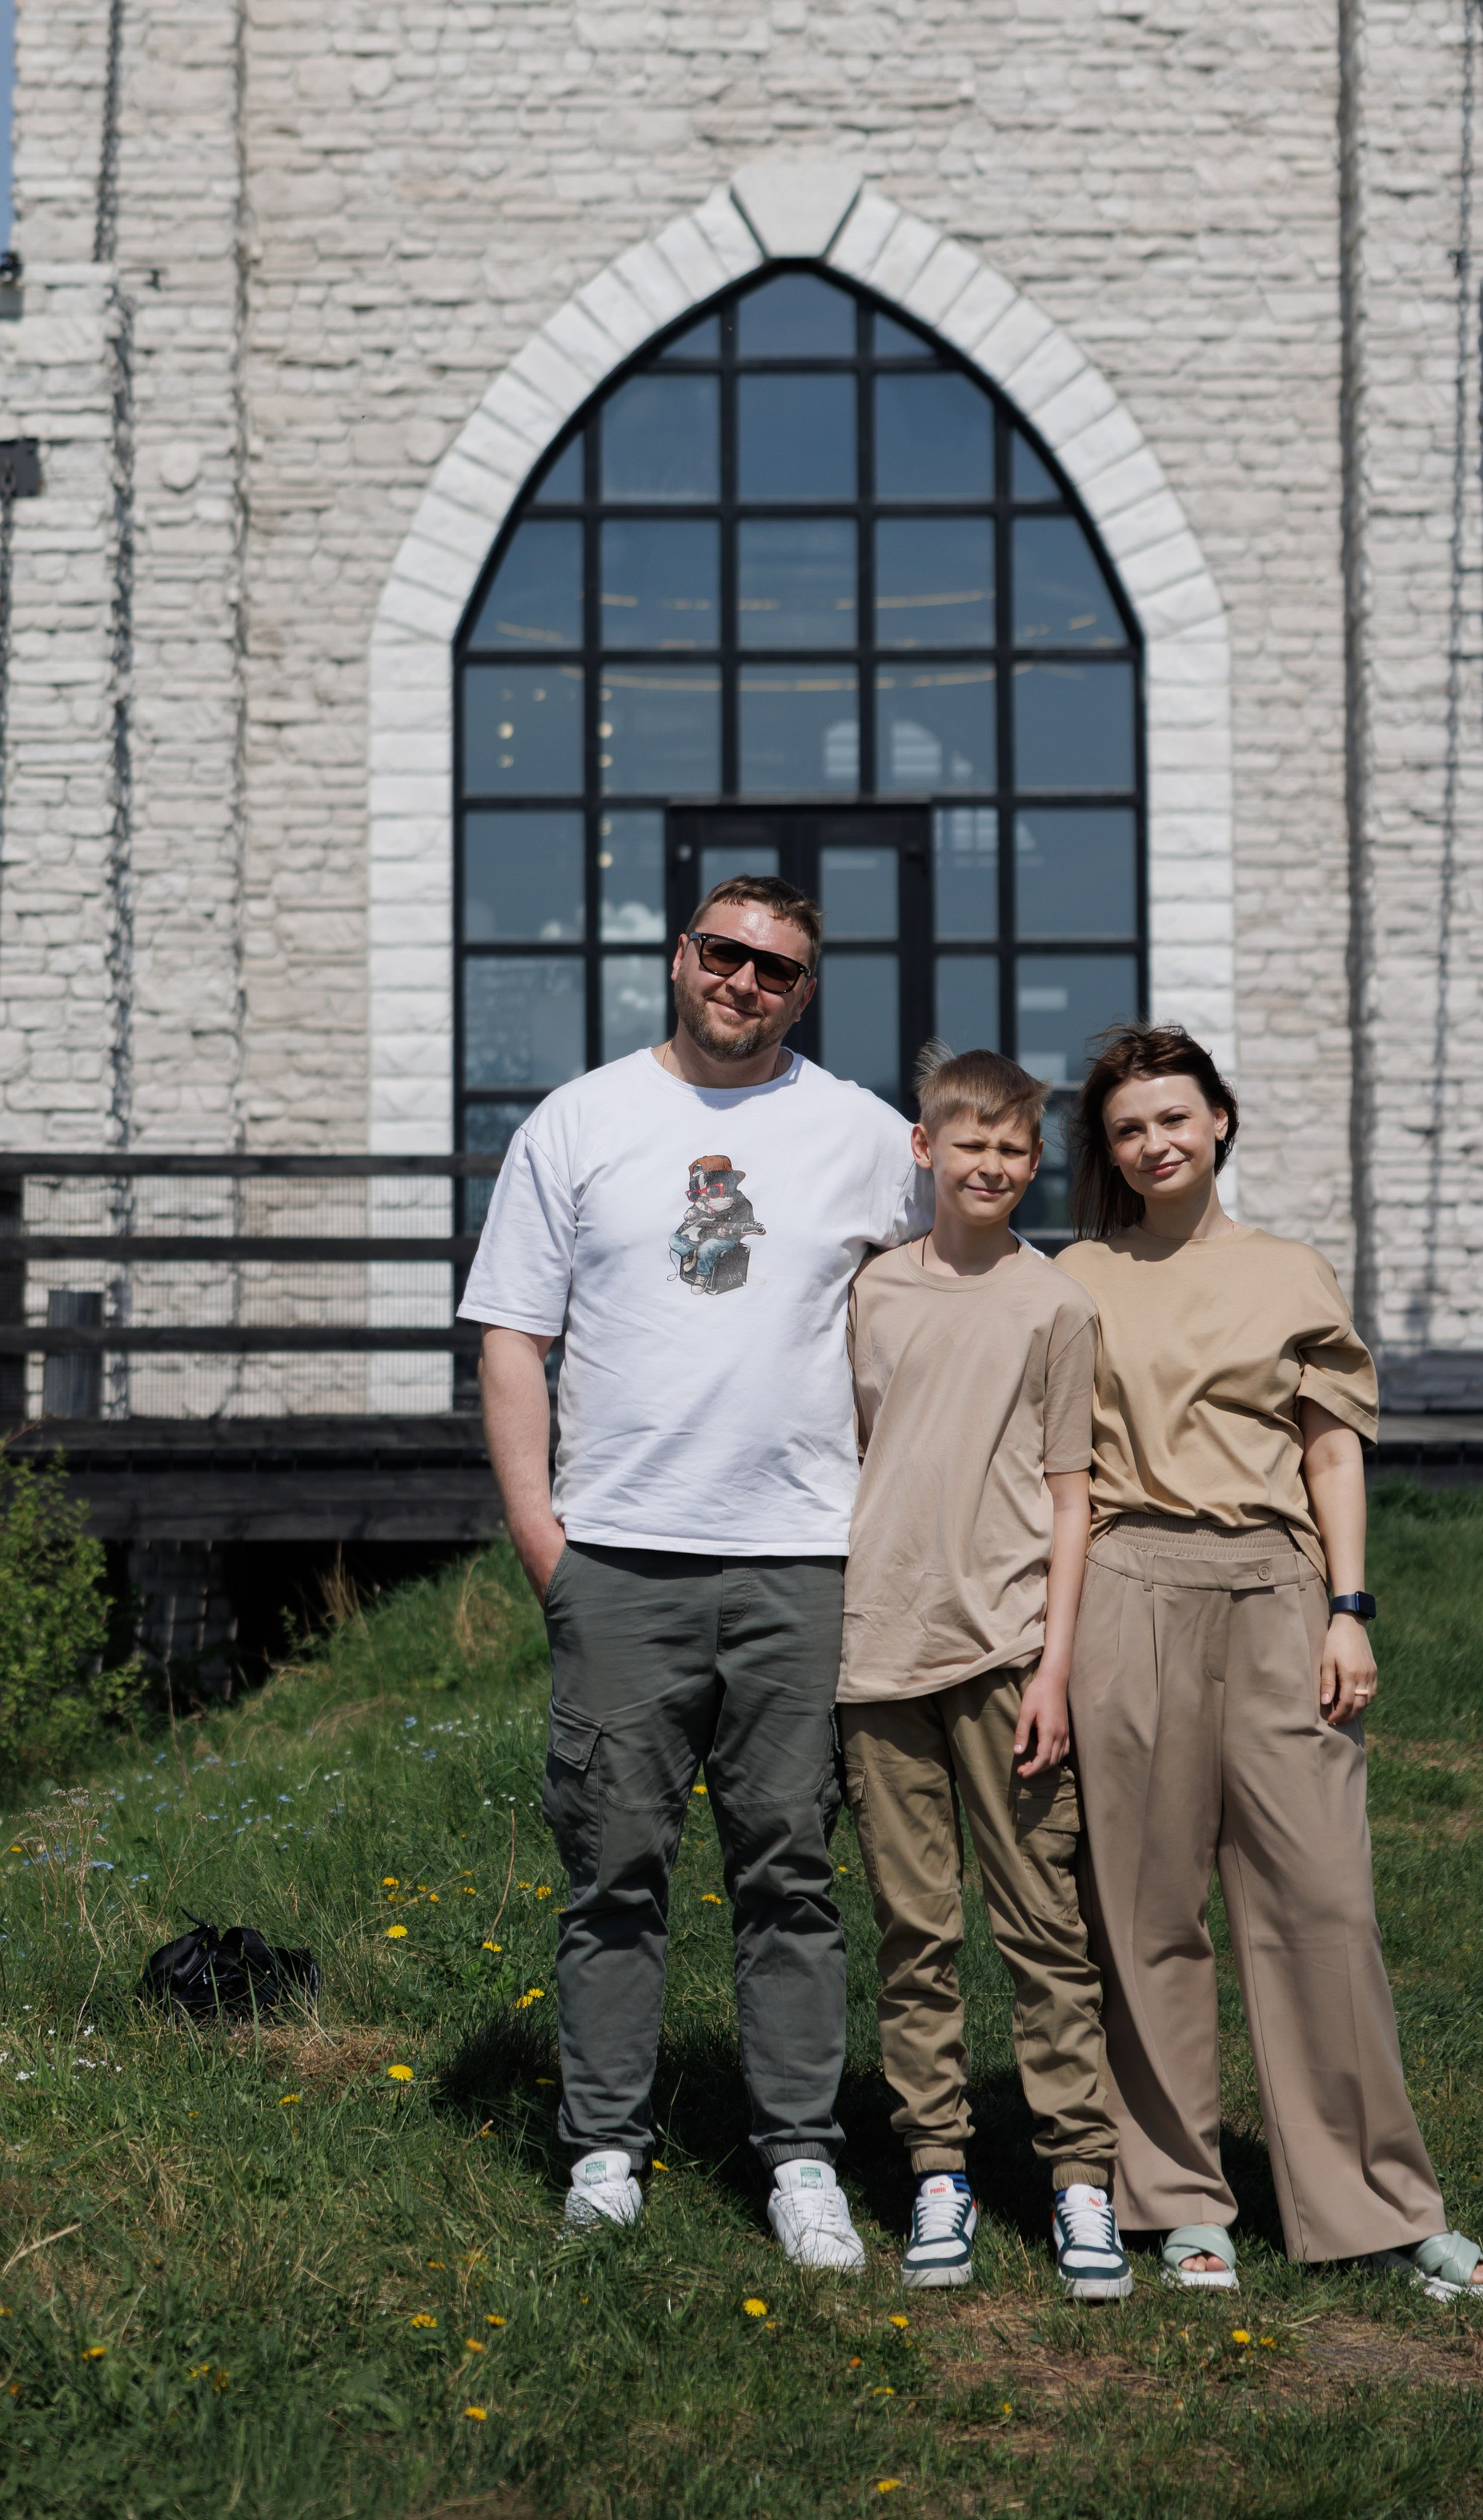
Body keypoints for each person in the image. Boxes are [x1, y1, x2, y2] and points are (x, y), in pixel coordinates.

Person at [461, 874, 928, 2265]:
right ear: (680, 958)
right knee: (614, 1869)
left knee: (792, 1872)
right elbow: (508, 1339)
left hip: (802, 1559)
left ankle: (800, 2158)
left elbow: (965, 1270)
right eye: (723, 953)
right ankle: (606, 2144)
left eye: (775, 969)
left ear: (805, 990)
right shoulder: (583, 1120)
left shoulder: (856, 1133)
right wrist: (547, 1541)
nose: (744, 981)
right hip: (619, 1560)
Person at [1057, 1024, 1483, 2301]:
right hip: (1128, 1590)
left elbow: (1331, 1454)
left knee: (1324, 1904)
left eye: (1174, 1117)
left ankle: (1378, 2196)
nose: (1155, 1142)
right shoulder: (1074, 1275)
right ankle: (1181, 2197)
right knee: (1143, 1912)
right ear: (1111, 1148)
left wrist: (1347, 1609)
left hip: (1276, 1590)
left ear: (1221, 1122)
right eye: (1130, 1127)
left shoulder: (1293, 1272)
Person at [837, 1049, 1130, 2303]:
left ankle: (1079, 2181)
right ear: (927, 1148)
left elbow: (1074, 1494)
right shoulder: (868, 1295)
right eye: (974, 1145)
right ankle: (940, 2169)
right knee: (914, 1930)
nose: (995, 1166)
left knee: (1045, 1929)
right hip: (876, 1653)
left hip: (1010, 1648)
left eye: (1017, 1150)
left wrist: (1056, 1664)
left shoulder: (1055, 1303)